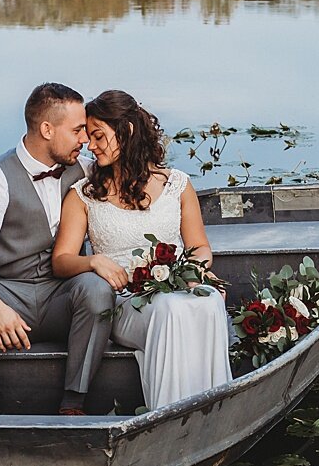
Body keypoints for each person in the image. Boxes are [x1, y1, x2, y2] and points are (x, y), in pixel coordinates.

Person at [0, 83, 116, 415]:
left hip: (63, 295)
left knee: (97, 291)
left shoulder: (86, 171)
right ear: (47, 129)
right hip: (9, 292)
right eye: (78, 130)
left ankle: (73, 402)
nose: (85, 140)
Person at [52, 90, 233, 412]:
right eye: (89, 138)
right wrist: (93, 260)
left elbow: (199, 246)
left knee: (207, 301)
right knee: (171, 310)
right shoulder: (83, 195)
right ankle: (170, 415)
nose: (90, 147)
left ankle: (212, 412)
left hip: (175, 286)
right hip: (124, 302)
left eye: (98, 136)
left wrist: (196, 272)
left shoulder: (177, 184)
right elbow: (62, 261)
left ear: (128, 132)